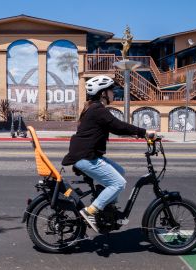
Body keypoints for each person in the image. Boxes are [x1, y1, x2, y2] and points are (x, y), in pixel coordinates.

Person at [61, 75, 154, 232]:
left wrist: (137, 134)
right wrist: (144, 132)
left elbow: (115, 127)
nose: (114, 93)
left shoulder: (94, 108)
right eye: (112, 90)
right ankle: (90, 211)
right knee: (119, 183)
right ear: (103, 93)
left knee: (120, 171)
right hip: (86, 157)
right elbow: (117, 126)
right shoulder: (98, 110)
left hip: (86, 156)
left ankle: (107, 209)